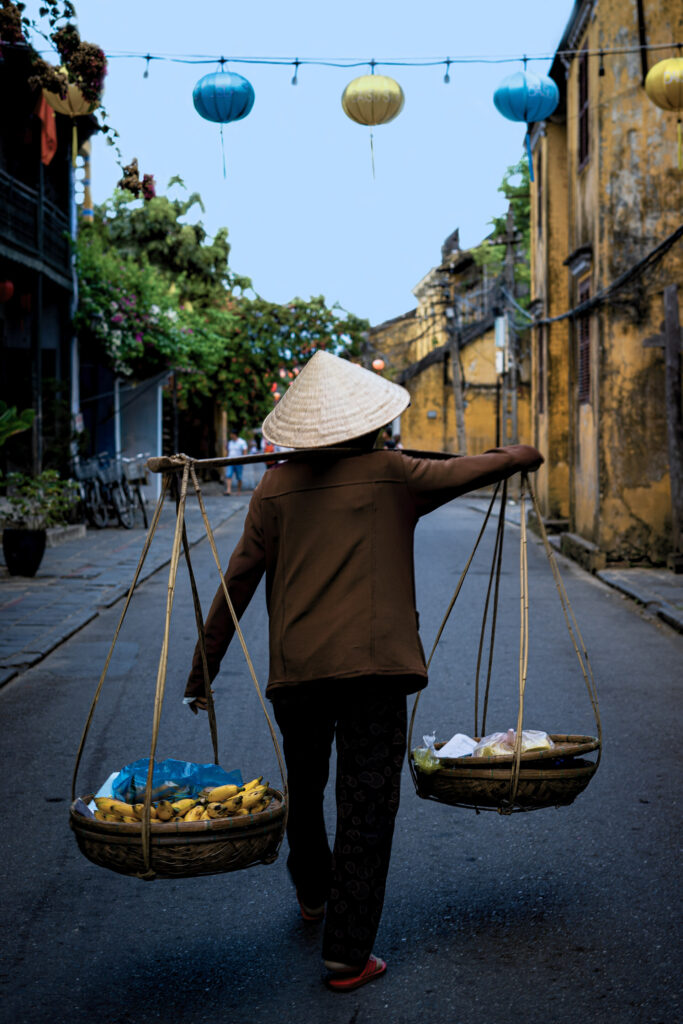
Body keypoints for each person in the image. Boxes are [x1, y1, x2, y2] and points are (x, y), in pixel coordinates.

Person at [185, 350, 543, 991]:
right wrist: (522, 454)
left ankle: (315, 892)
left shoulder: (272, 488)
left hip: (298, 675)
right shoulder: (395, 474)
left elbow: (237, 580)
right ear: (368, 423)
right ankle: (346, 953)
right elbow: (477, 467)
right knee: (367, 805)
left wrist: (201, 668)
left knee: (306, 785)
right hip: (374, 676)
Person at [224, 429, 248, 495]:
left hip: (238, 462)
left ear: (235, 435)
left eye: (231, 434)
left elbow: (245, 451)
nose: (230, 435)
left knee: (239, 477)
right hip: (230, 461)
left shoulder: (242, 442)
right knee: (228, 475)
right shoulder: (230, 442)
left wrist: (244, 460)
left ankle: (239, 491)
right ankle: (228, 490)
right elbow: (228, 452)